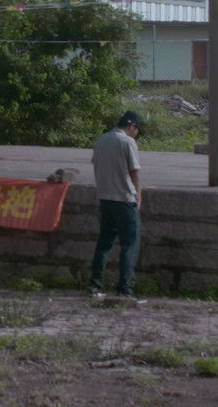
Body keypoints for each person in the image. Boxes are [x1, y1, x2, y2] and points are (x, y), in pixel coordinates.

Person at [88, 110, 144, 301]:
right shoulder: (128, 142)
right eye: (137, 130)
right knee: (130, 244)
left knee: (105, 243)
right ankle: (125, 288)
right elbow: (134, 173)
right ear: (132, 126)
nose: (136, 133)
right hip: (125, 199)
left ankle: (95, 285)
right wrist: (138, 197)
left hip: (106, 198)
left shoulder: (101, 140)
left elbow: (96, 167)